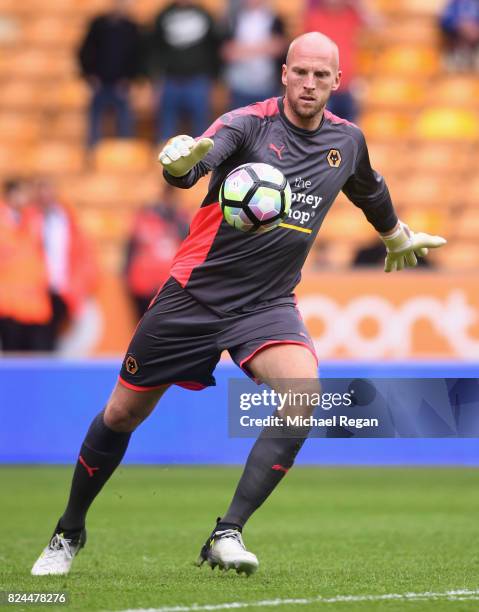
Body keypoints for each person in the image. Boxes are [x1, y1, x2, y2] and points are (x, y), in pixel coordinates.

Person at [31, 32, 446, 577]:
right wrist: (179, 165)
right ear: (284, 72)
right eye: (301, 72)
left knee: (303, 394)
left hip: (267, 303)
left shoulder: (347, 141)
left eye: (322, 75)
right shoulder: (246, 124)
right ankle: (68, 532)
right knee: (122, 413)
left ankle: (227, 533)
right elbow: (194, 164)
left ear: (337, 82)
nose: (310, 83)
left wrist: (393, 235)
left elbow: (368, 188)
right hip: (194, 294)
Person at [33, 178, 99, 350]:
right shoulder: (29, 218)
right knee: (36, 337)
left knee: (55, 337)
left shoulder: (64, 218)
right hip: (36, 288)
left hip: (60, 287)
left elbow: (79, 251)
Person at [147, 0, 220, 142]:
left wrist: (214, 77)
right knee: (165, 130)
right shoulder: (164, 15)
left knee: (202, 133)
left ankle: (202, 164)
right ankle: (164, 162)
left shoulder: (205, 15)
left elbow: (214, 48)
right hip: (170, 81)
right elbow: (154, 50)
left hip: (198, 81)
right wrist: (154, 79)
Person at [78, 0, 143, 148]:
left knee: (124, 120)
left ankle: (124, 151)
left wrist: (130, 79)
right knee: (95, 121)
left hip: (122, 85)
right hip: (100, 83)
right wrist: (90, 75)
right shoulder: (98, 25)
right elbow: (85, 51)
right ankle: (93, 152)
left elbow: (137, 56)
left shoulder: (131, 28)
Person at [0, 179, 52, 352]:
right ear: (10, 194)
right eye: (21, 193)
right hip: (9, 302)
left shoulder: (33, 218)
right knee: (12, 356)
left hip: (33, 301)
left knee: (34, 357)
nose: (24, 198)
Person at [303, 0, 375, 122]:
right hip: (322, 87)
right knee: (323, 133)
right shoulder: (314, 17)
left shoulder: (351, 14)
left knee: (349, 133)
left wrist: (357, 4)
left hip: (348, 86)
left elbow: (376, 25)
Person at [124, 183, 188, 319]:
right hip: (143, 284)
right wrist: (126, 275)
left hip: (167, 285)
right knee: (143, 324)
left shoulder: (181, 221)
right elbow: (131, 247)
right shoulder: (145, 217)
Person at [222, 0, 287, 109]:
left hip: (267, 85)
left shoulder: (275, 19)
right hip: (240, 85)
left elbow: (280, 48)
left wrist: (243, 50)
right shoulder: (233, 19)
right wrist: (265, 47)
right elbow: (227, 52)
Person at [440, 0, 479, 70]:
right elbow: (444, 21)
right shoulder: (455, 4)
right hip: (457, 44)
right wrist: (460, 26)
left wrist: (475, 29)